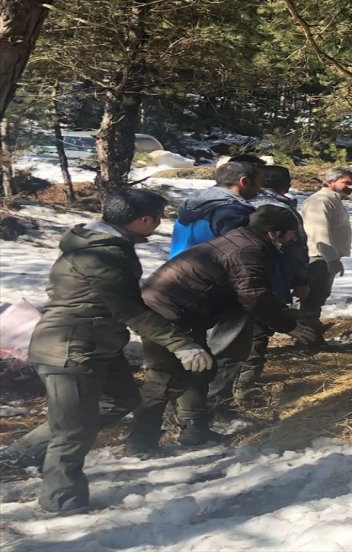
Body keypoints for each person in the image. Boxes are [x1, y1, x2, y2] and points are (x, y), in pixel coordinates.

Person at [8, 190, 201, 514]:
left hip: (98, 343)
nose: (158, 223)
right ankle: (61, 503)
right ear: (143, 220)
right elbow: (130, 310)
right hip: (71, 347)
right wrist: (181, 344)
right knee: (73, 431)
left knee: (121, 399)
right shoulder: (104, 253)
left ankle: (25, 450)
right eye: (157, 217)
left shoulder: (97, 244)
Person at [126, 207, 317, 455]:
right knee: (163, 378)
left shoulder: (246, 240)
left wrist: (284, 313)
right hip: (164, 312)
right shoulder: (249, 249)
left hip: (182, 311)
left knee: (200, 369)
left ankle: (194, 428)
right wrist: (288, 326)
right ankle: (140, 442)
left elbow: (250, 290)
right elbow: (253, 296)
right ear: (273, 233)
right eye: (291, 234)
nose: (293, 239)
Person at [207, 165, 313, 410]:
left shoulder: (214, 205)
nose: (292, 238)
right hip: (255, 284)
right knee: (248, 339)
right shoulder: (270, 215)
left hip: (218, 286)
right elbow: (295, 250)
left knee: (228, 340)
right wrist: (300, 281)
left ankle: (217, 399)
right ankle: (236, 394)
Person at [299, 167, 352, 322]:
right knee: (313, 298)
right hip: (318, 257)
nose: (351, 187)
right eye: (346, 182)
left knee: (319, 296)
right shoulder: (320, 202)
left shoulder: (333, 201)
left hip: (325, 256)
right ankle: (309, 335)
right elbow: (318, 233)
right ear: (330, 181)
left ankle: (311, 331)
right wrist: (331, 259)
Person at [168, 159, 262, 257]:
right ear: (244, 181)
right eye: (258, 182)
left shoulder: (192, 202)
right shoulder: (234, 212)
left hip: (175, 268)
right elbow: (243, 256)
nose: (259, 188)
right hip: (210, 271)